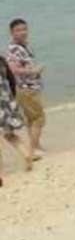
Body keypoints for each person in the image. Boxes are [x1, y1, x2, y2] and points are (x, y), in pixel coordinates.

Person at [6, 19, 45, 160]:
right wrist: (34, 71)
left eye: (24, 29)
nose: (23, 32)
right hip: (26, 88)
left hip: (28, 87)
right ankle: (33, 148)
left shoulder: (22, 46)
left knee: (32, 118)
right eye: (18, 30)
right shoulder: (15, 49)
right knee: (38, 118)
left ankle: (36, 145)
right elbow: (13, 69)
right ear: (11, 33)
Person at [0, 55, 33, 186]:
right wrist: (12, 98)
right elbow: (11, 81)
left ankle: (0, 173)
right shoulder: (2, 61)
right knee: (9, 135)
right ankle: (26, 154)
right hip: (8, 102)